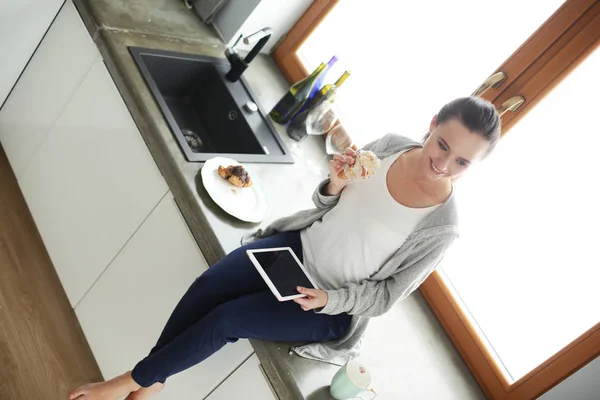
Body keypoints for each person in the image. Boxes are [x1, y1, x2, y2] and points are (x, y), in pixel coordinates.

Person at [69, 96, 501, 400]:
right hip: (295, 249)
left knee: (228, 318)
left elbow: (387, 296)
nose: (443, 163)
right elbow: (326, 204)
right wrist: (336, 182)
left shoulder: (442, 228)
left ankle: (129, 381)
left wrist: (330, 299)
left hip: (327, 307)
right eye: (443, 144)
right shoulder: (388, 146)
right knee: (207, 287)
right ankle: (153, 381)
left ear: (474, 167)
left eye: (462, 162)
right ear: (432, 124)